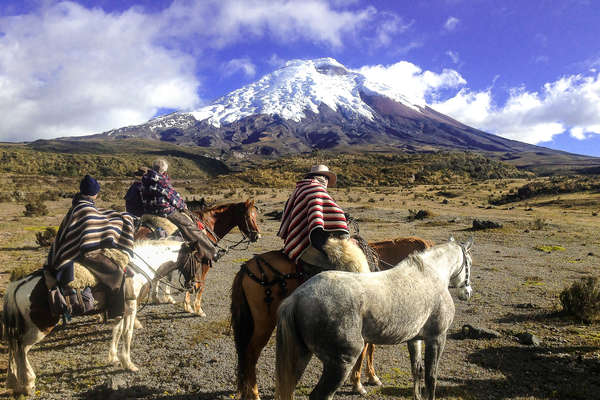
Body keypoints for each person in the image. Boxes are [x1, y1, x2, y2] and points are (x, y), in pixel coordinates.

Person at [43, 175, 136, 318]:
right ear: (95, 193)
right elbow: (97, 222)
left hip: (74, 251)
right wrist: (123, 217)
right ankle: (116, 312)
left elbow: (97, 218)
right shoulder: (86, 209)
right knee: (116, 273)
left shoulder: (78, 206)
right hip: (86, 254)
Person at [140, 159, 220, 261]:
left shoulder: (145, 178)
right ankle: (212, 252)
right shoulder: (161, 180)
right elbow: (172, 197)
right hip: (165, 210)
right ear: (164, 170)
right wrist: (182, 206)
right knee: (190, 226)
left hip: (148, 210)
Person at [277, 164, 351, 267]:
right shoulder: (316, 189)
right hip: (308, 244)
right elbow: (337, 214)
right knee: (344, 264)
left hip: (300, 237)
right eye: (326, 178)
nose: (326, 181)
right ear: (323, 178)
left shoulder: (301, 188)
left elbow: (317, 213)